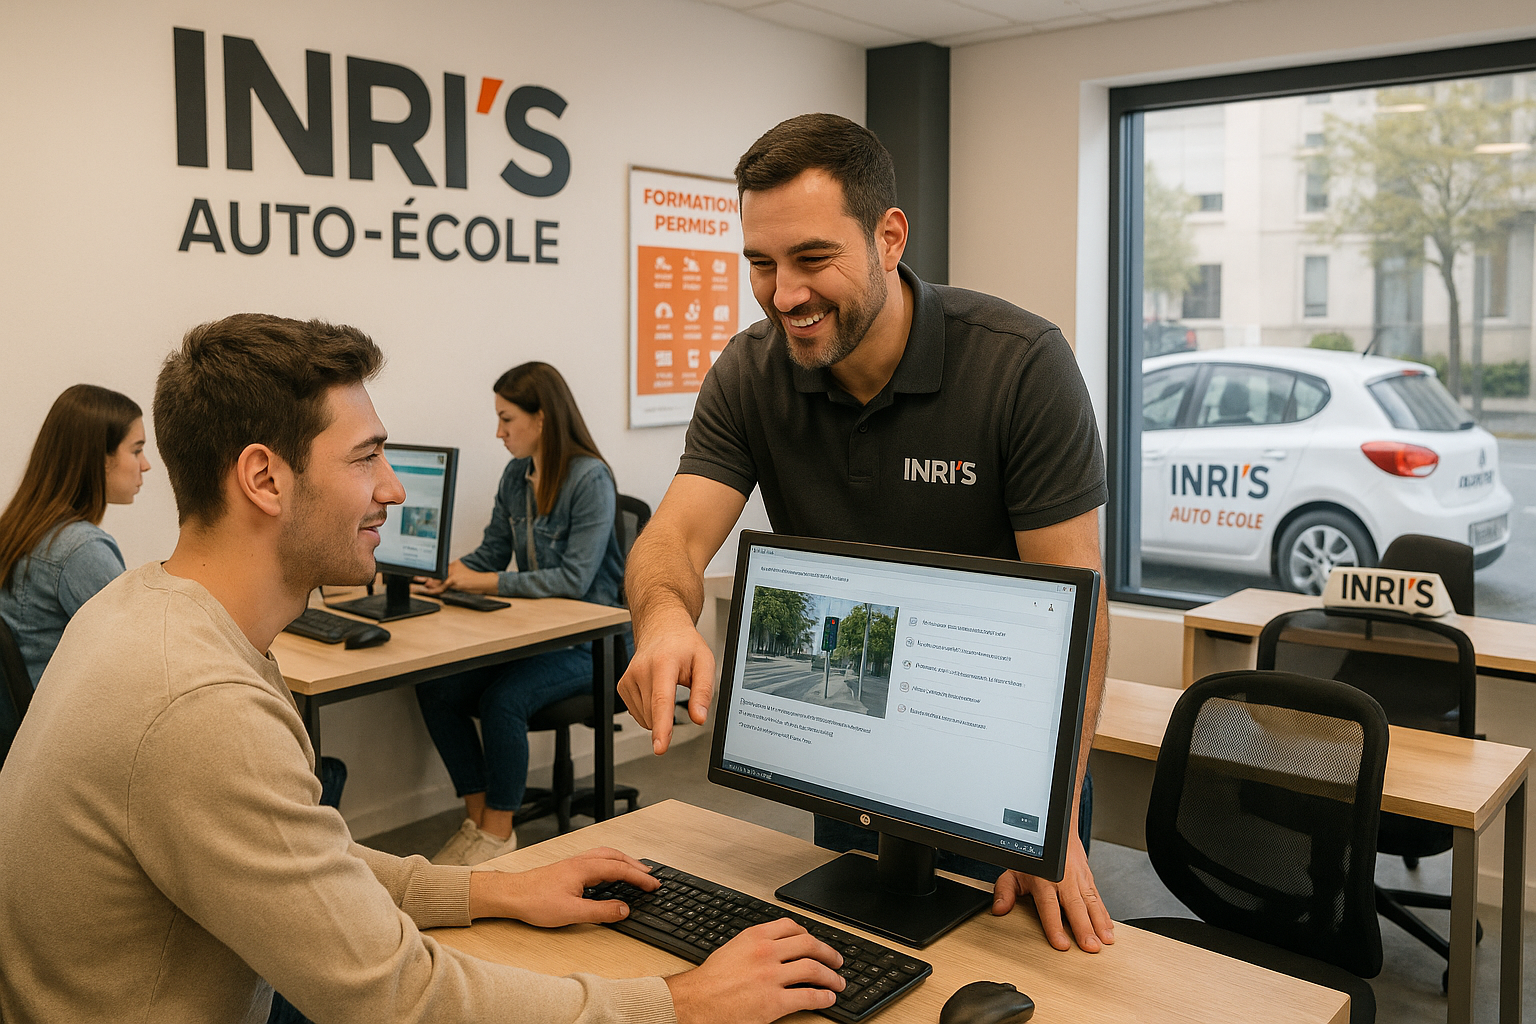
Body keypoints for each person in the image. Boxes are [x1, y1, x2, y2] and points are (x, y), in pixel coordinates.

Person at [0, 314, 845, 1024]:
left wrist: (496, 892)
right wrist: (680, 1003)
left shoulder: (138, 610)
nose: (394, 490)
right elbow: (399, 997)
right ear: (264, 478)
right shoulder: (198, 702)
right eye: (367, 457)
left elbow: (309, 867)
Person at [617, 113, 1116, 955]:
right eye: (762, 264)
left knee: (1027, 984)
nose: (784, 295)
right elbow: (673, 540)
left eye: (813, 259)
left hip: (1004, 766)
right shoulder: (749, 373)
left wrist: (1049, 816)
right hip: (848, 756)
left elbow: (1078, 602)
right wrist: (664, 618)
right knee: (854, 970)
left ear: (889, 238)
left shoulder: (1019, 363)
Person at [414, 362, 626, 866]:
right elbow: (492, 551)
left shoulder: (590, 479)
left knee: (503, 700)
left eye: (507, 419)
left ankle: (498, 835)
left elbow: (573, 580)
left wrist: (484, 581)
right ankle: (478, 819)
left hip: (593, 646)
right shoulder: (516, 475)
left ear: (542, 418)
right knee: (436, 687)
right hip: (538, 639)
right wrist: (445, 573)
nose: (499, 432)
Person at [0, 383, 150, 690]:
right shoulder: (80, 549)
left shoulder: (19, 528)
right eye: (136, 450)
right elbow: (139, 656)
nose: (145, 465)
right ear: (100, 458)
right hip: (52, 717)